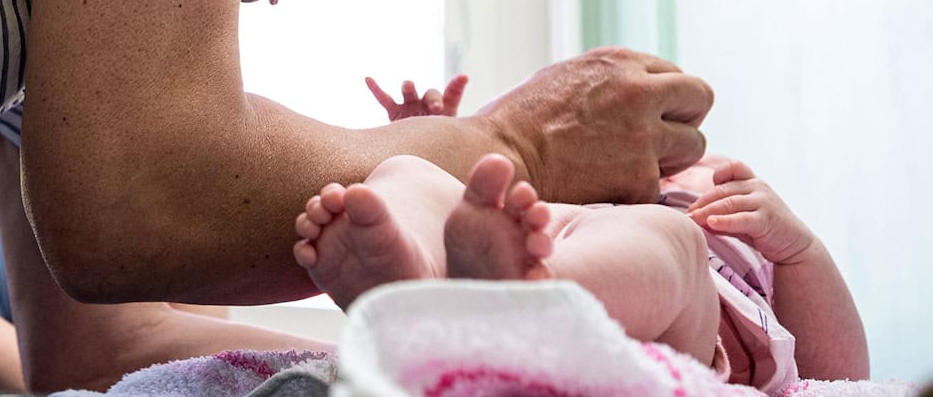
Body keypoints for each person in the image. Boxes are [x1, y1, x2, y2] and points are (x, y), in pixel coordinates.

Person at [0, 0, 710, 346]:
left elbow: (102, 352)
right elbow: (132, 199)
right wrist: (519, 144)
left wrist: (410, 352)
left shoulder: (63, 24)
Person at [292, 80, 869, 393]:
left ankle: (534, 294)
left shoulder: (710, 201)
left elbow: (844, 380)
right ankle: (415, 275)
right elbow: (502, 192)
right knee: (408, 173)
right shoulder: (582, 186)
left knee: (672, 240)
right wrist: (431, 138)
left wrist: (800, 250)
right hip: (557, 235)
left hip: (683, 325)